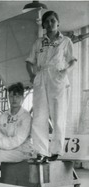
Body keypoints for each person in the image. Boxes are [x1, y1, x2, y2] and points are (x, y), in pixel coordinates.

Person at [26, 11, 77, 162]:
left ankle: (56, 151)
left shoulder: (66, 41)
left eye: (52, 21)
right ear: (43, 25)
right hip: (41, 76)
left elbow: (73, 60)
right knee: (39, 115)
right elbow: (29, 61)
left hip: (58, 77)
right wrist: (32, 75)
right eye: (46, 21)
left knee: (58, 115)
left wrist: (66, 71)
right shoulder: (38, 42)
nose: (49, 24)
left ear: (58, 23)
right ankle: (40, 151)